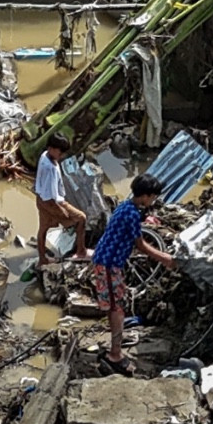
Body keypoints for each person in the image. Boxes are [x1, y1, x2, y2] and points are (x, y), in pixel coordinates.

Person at [89, 174, 175, 375]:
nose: (153, 201)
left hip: (109, 261)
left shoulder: (126, 206)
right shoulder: (132, 214)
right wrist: (165, 258)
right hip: (109, 264)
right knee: (117, 308)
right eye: (153, 197)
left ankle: (114, 347)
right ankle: (115, 354)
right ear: (145, 196)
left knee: (116, 305)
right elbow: (140, 244)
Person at [34, 138, 89, 263]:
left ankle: (42, 259)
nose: (62, 155)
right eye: (60, 152)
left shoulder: (45, 155)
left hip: (40, 199)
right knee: (81, 218)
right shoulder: (49, 168)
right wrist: (61, 211)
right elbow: (50, 198)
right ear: (51, 148)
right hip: (52, 202)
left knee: (43, 229)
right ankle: (81, 251)